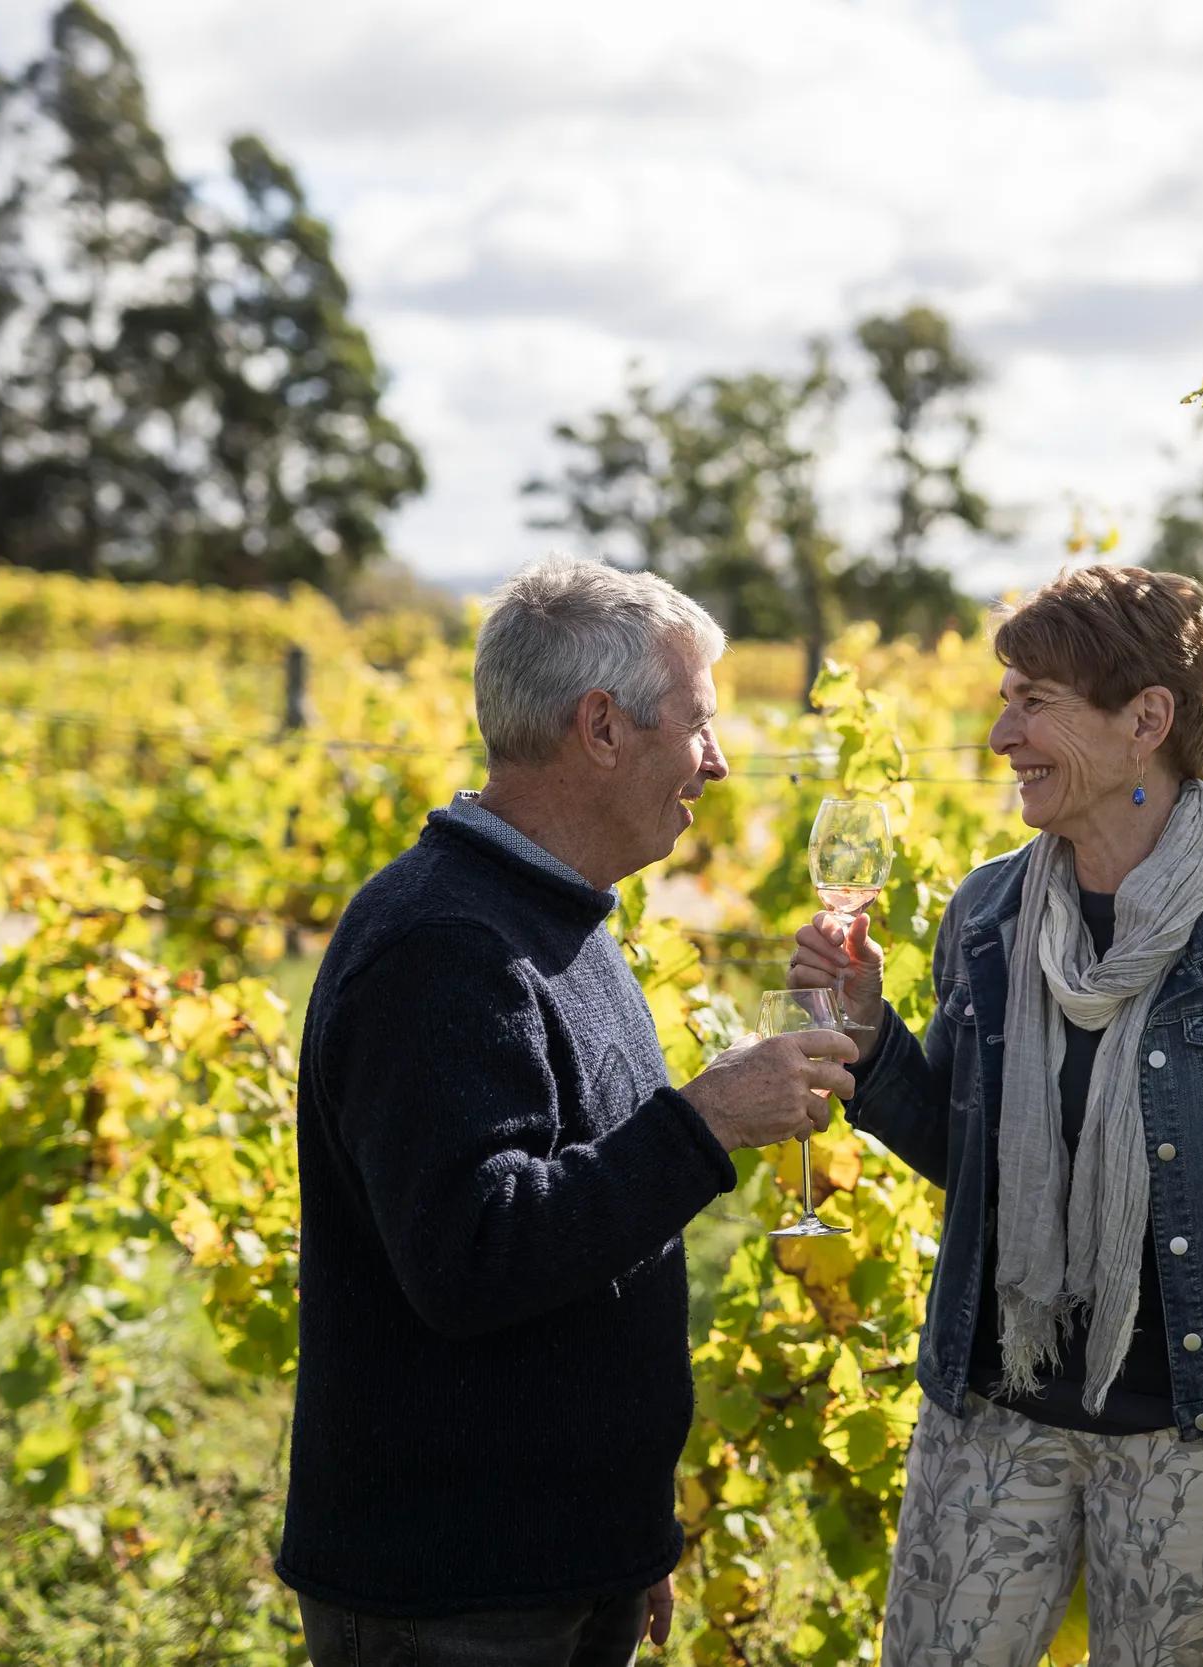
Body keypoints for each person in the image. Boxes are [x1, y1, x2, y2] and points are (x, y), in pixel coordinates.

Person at [791, 564, 1203, 1667]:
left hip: (1197, 1443)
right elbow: (966, 1153)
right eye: (1004, 698)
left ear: (1147, 720)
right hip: (994, 1417)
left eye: (1034, 700)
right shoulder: (987, 910)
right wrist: (873, 1037)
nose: (1000, 735)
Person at [278, 556, 857, 1666]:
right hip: (455, 1592)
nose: (720, 762)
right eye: (699, 725)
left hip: (552, 1568)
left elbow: (587, 1247)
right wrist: (706, 1121)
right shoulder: (442, 944)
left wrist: (624, 1535)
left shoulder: (559, 921)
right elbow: (475, 1254)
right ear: (601, 726)